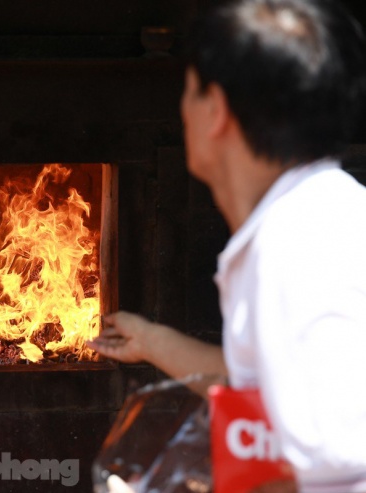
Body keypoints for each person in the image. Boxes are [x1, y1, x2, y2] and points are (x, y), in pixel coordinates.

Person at [87, 0, 366, 491]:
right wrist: (151, 341)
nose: (182, 110)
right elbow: (267, 390)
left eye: (189, 91)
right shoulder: (308, 218)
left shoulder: (299, 244)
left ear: (215, 110)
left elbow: (334, 452)